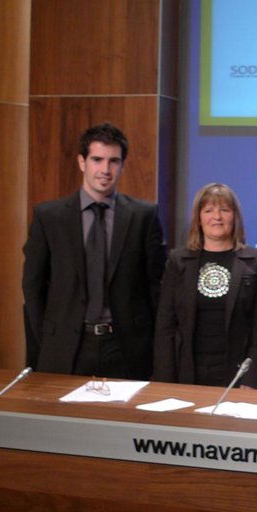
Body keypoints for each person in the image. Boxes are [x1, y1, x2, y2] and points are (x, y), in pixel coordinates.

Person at [22, 122, 166, 379]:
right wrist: (47, 337)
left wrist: (151, 342)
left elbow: (156, 286)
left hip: (127, 348)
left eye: (114, 161)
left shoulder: (143, 216)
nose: (105, 170)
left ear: (122, 165)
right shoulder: (49, 217)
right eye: (97, 160)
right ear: (82, 162)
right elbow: (32, 285)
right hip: (66, 347)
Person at [153, 183, 257, 387]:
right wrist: (164, 380)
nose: (217, 217)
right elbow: (165, 324)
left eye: (225, 210)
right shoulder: (178, 261)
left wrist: (252, 378)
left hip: (237, 372)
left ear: (235, 217)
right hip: (187, 370)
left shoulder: (256, 261)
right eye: (209, 210)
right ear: (198, 218)